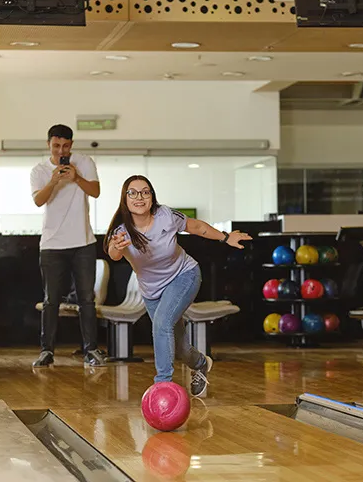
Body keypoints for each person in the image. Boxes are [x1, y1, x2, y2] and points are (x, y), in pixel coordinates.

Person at [103, 175, 251, 396]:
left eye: (145, 192)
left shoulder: (166, 216)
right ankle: (201, 363)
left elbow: (197, 226)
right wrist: (116, 246)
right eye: (132, 193)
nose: (139, 197)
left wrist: (225, 237)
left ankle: (163, 385)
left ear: (152, 196)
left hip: (184, 276)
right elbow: (113, 254)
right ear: (125, 199)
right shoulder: (121, 231)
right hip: (152, 292)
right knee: (179, 347)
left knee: (161, 325)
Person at [30, 124, 106, 368]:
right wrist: (54, 181)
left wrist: (76, 178)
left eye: (65, 146)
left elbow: (95, 192)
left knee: (86, 299)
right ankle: (46, 351)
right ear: (48, 145)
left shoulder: (84, 162)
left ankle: (91, 350)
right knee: (51, 300)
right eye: (55, 146)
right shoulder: (39, 170)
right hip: (52, 244)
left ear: (71, 145)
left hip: (83, 242)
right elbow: (38, 201)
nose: (60, 150)